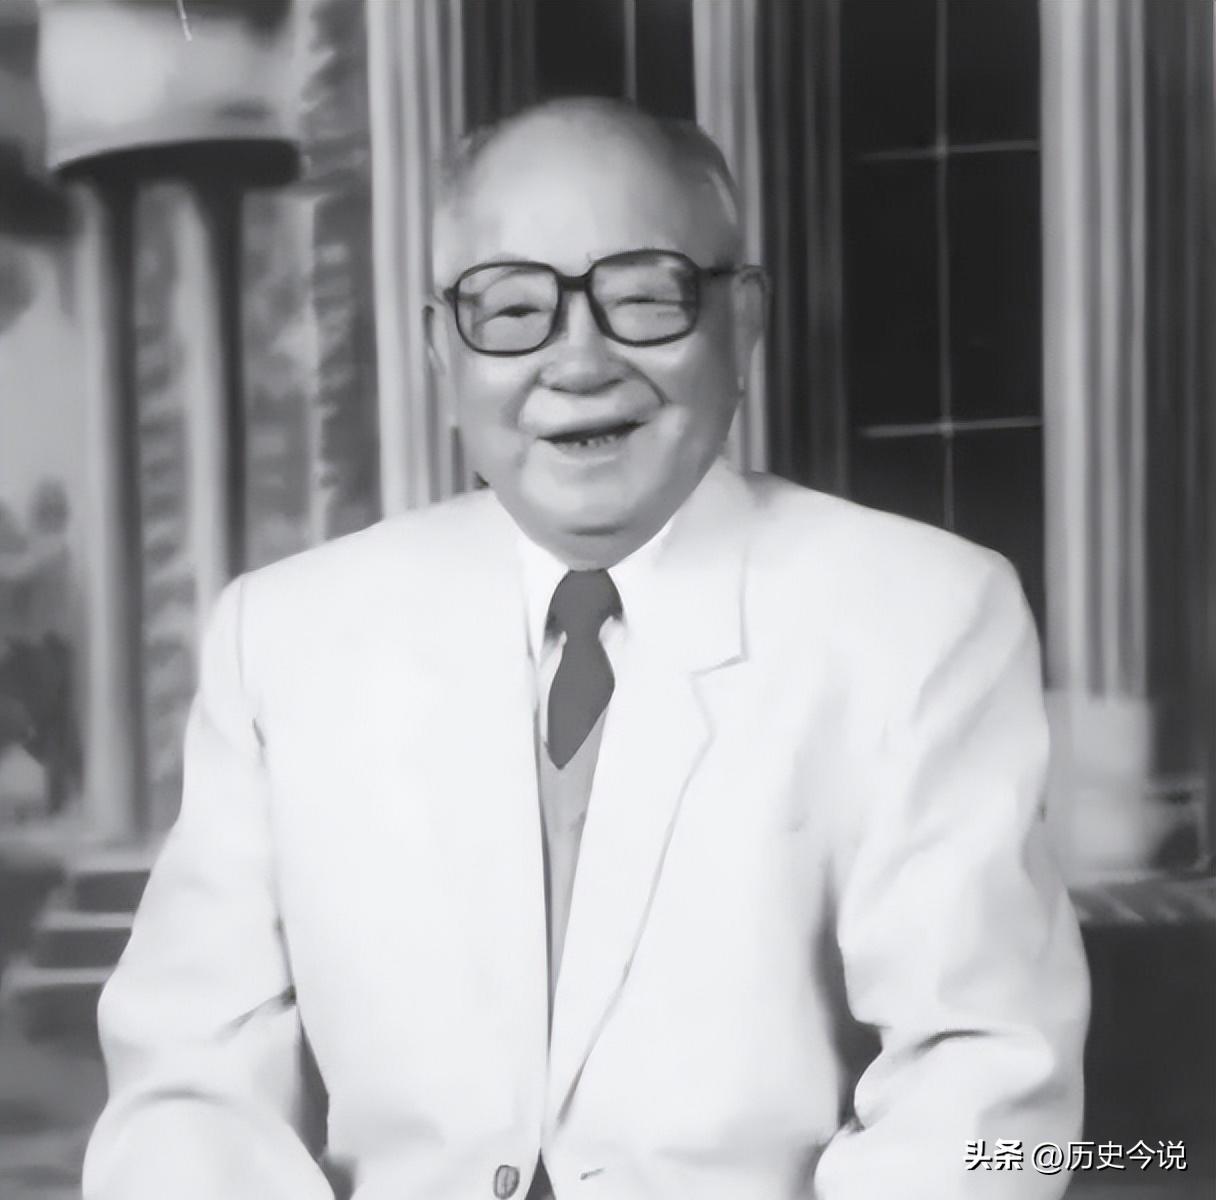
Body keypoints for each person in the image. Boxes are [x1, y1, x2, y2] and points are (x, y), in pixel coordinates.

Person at [82, 97, 1089, 1200]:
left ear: (742, 319)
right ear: (440, 349)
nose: (577, 360)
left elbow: (986, 1082)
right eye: (511, 309)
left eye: (644, 298)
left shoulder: (922, 615)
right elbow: (188, 1085)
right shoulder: (285, 637)